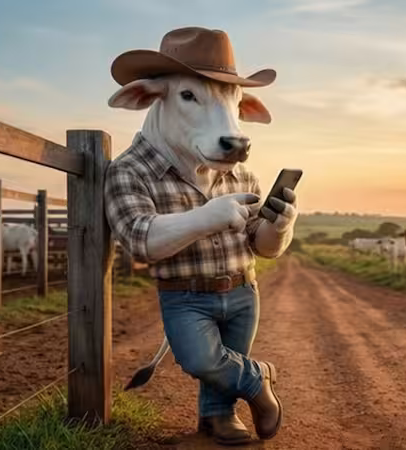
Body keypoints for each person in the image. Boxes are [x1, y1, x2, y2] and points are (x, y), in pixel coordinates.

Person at [104, 27, 294, 445]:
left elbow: (260, 246)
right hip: (185, 293)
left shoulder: (241, 171)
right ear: (149, 97)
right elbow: (139, 240)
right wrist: (206, 217)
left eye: (234, 102)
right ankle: (257, 379)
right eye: (191, 96)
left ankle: (217, 419)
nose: (231, 127)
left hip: (244, 288)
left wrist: (280, 227)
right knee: (201, 358)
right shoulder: (129, 170)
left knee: (222, 365)